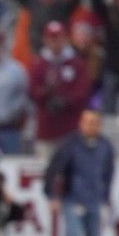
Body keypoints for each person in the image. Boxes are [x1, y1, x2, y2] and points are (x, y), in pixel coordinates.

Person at [45, 110, 115, 236]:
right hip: (72, 199)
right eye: (87, 122)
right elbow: (54, 170)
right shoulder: (70, 144)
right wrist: (54, 195)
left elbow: (108, 175)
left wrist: (107, 199)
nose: (91, 126)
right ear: (81, 123)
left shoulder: (105, 146)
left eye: (95, 122)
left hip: (95, 201)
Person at [29, 21, 90, 159]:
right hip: (46, 128)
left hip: (70, 128)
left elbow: (83, 91)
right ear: (45, 39)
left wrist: (65, 101)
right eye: (51, 38)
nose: (55, 42)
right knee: (46, 169)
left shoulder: (76, 63)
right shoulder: (39, 64)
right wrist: (45, 95)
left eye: (58, 37)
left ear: (65, 38)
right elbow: (32, 90)